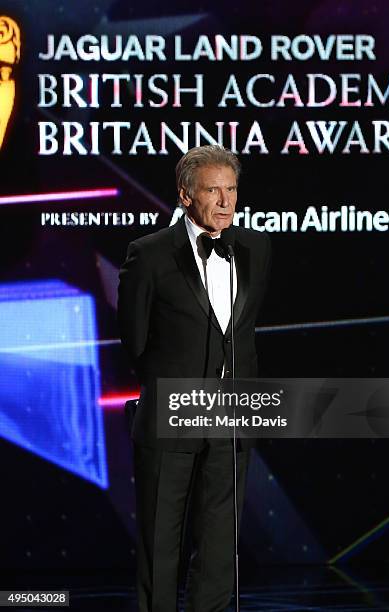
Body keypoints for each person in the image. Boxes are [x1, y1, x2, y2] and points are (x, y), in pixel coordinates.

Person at [117, 145, 271, 612]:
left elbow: (241, 331)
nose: (225, 201)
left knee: (221, 541)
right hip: (171, 412)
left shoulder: (255, 248)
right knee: (160, 539)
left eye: (231, 190)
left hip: (232, 416)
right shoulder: (149, 254)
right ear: (185, 195)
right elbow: (134, 341)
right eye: (212, 190)